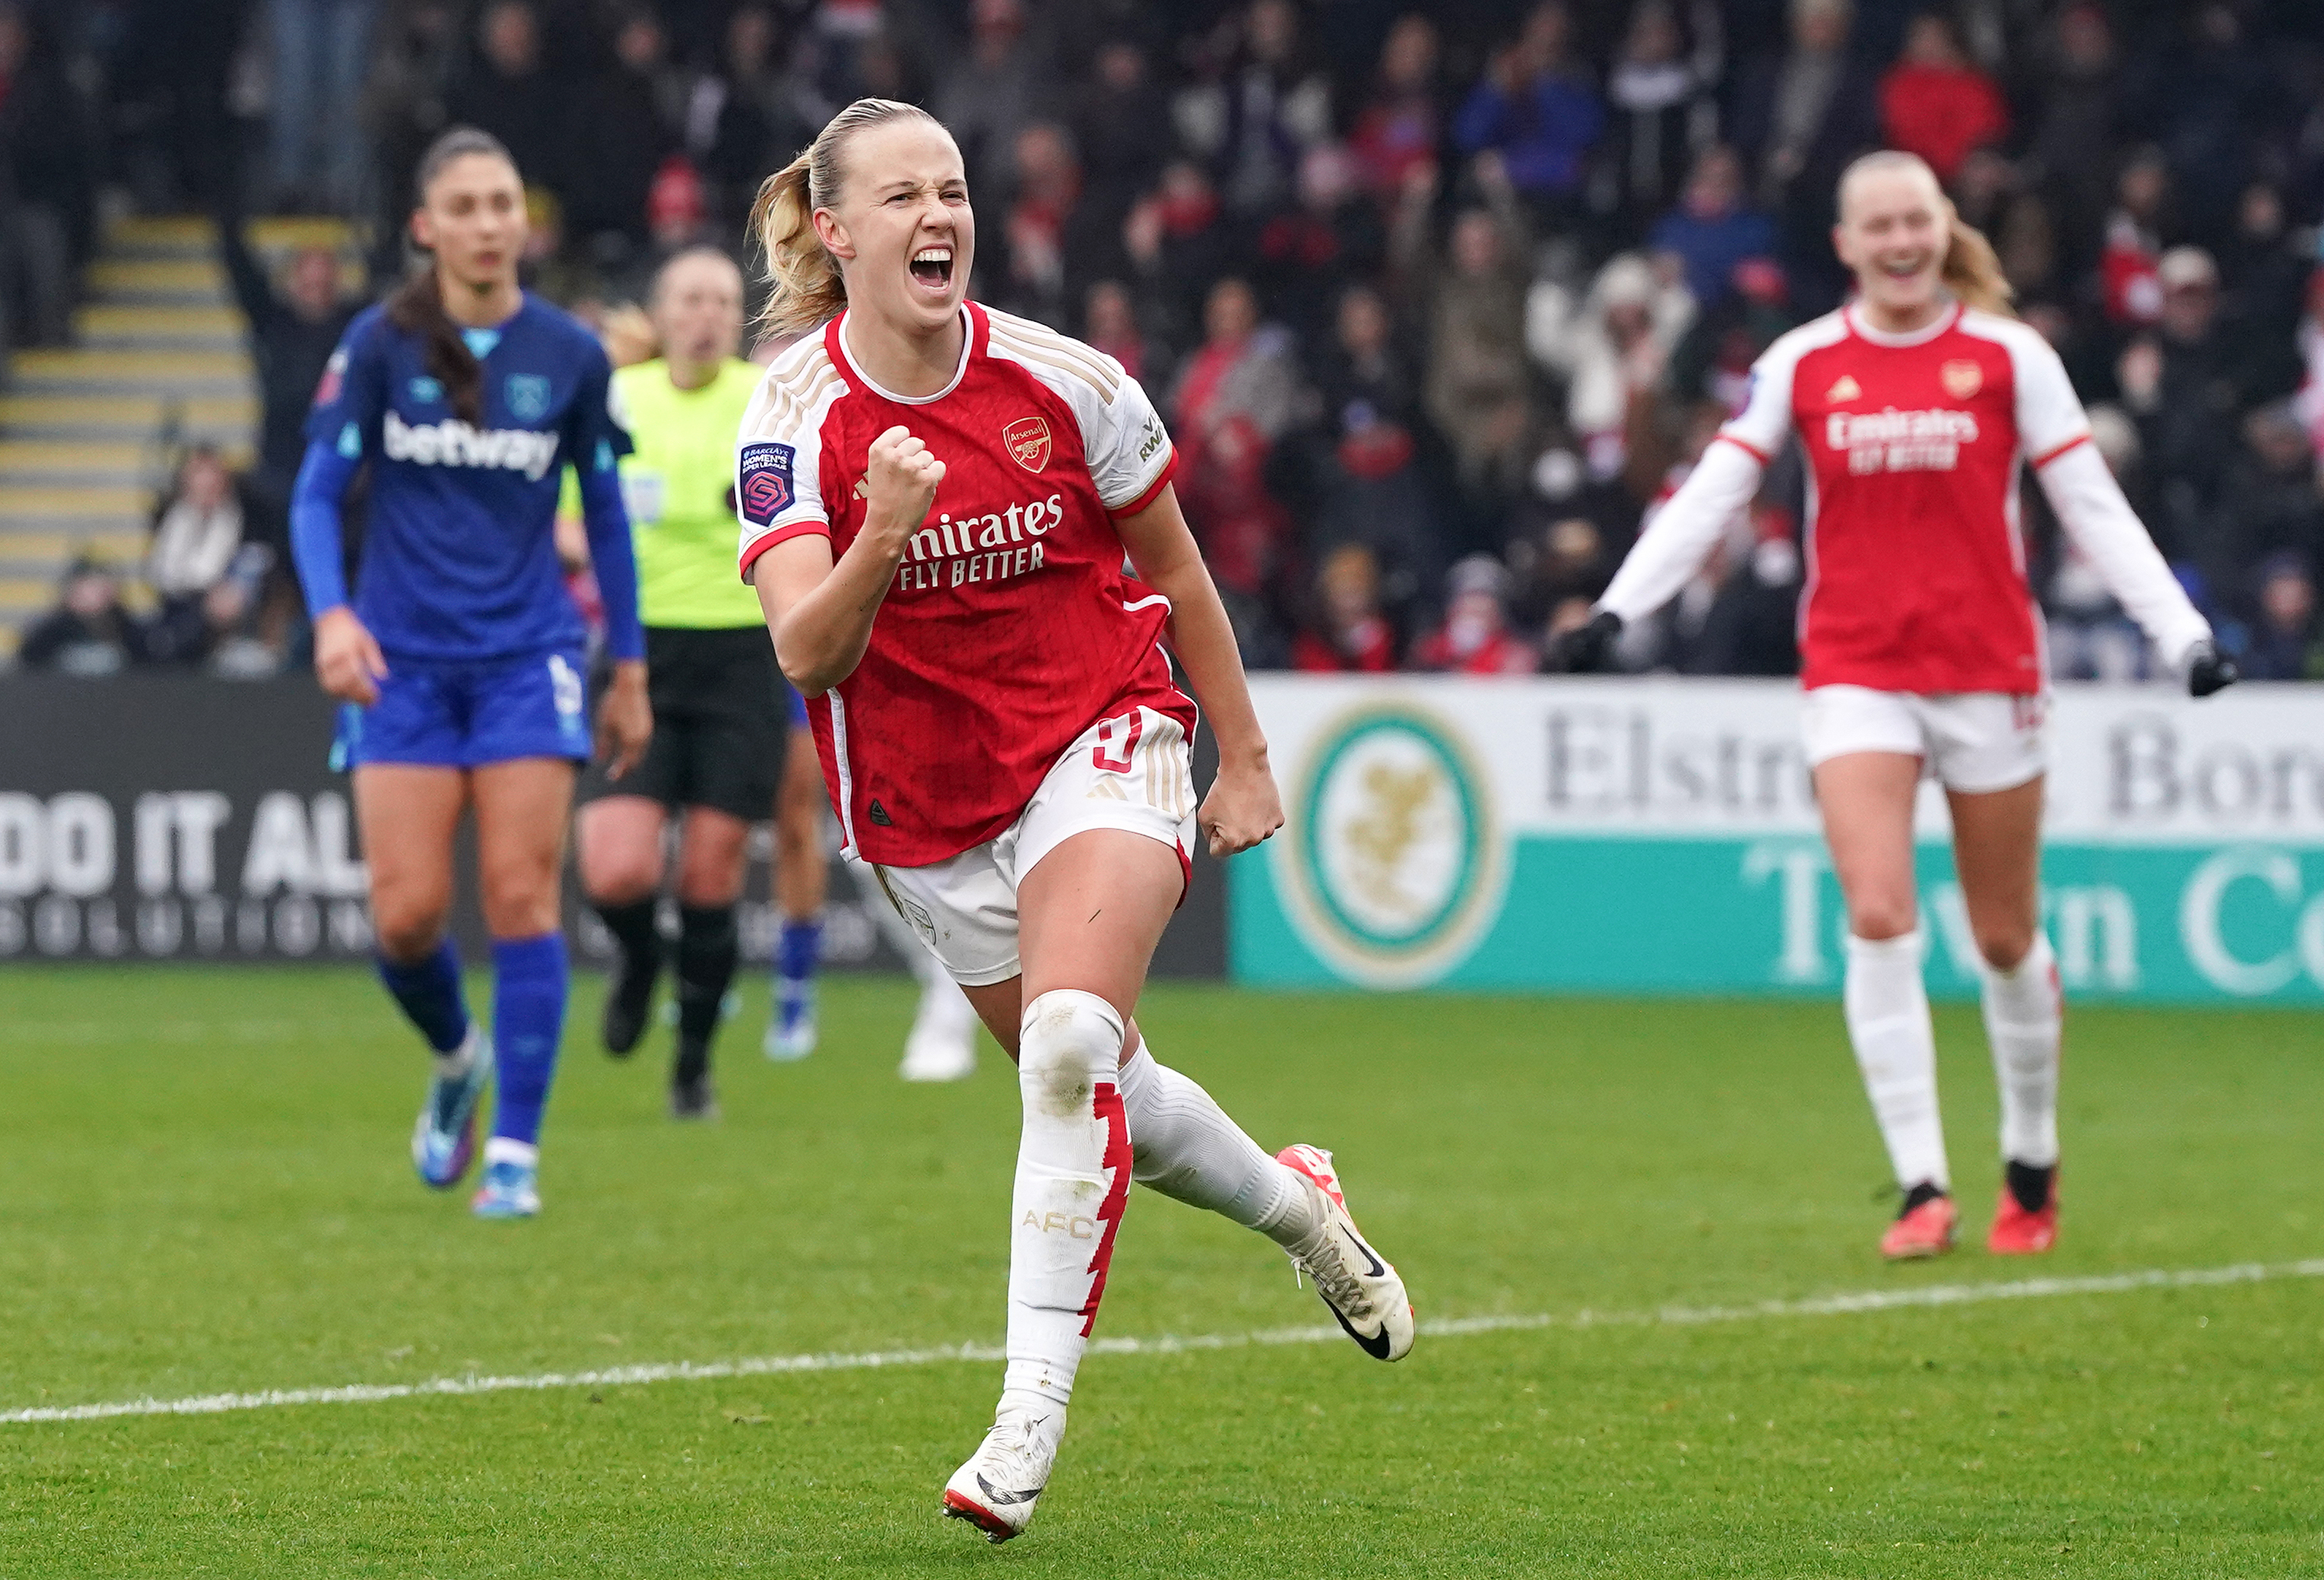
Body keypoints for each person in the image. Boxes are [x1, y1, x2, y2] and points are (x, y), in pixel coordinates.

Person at [735, 98, 1413, 1543]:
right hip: (922, 809)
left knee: (1064, 1049)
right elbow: (808, 652)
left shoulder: (1070, 380)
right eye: (903, 197)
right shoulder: (792, 418)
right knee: (1113, 1096)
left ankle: (1023, 1421)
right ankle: (1300, 1206)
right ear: (836, 231)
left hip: (1102, 734)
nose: (939, 218)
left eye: (955, 189)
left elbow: (1172, 563)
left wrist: (1240, 752)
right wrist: (885, 534)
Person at [1553, 150, 2236, 1261]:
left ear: (1943, 225)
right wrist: (1617, 611)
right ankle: (1922, 1184)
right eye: (1878, 227)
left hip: (1988, 672)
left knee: (2005, 936)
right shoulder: (1805, 362)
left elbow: (2091, 507)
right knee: (1877, 913)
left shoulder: (2010, 357)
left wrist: (2182, 637)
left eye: (1915, 221)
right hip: (1856, 669)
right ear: (1845, 244)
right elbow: (1715, 488)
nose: (1900, 242)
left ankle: (2029, 1158)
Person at [291, 127, 650, 1220]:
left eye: (505, 202)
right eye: (469, 205)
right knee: (403, 919)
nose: (492, 223)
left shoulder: (570, 355)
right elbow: (313, 497)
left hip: (525, 656)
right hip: (399, 663)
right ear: (427, 226)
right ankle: (458, 1059)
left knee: (518, 895)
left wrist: (625, 664)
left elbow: (609, 522)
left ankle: (515, 1155)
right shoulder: (378, 345)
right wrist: (331, 617)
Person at [572, 247, 783, 1119]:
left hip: (740, 653)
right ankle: (638, 958)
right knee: (615, 870)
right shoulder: (620, 399)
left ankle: (692, 1065)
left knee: (708, 876)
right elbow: (569, 521)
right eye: (690, 299)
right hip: (638, 654)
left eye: (723, 301)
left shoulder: (768, 402)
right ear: (660, 316)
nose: (706, 314)